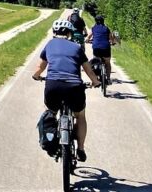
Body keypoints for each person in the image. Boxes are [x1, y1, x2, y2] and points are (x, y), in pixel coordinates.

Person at [33, 18, 101, 162]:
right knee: (80, 116)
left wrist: (36, 76)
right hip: (74, 87)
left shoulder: (50, 45)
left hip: (53, 86)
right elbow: (88, 69)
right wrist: (95, 82)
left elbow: (40, 67)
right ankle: (81, 149)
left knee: (50, 112)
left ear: (54, 32)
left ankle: (53, 138)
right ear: (70, 33)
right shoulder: (76, 47)